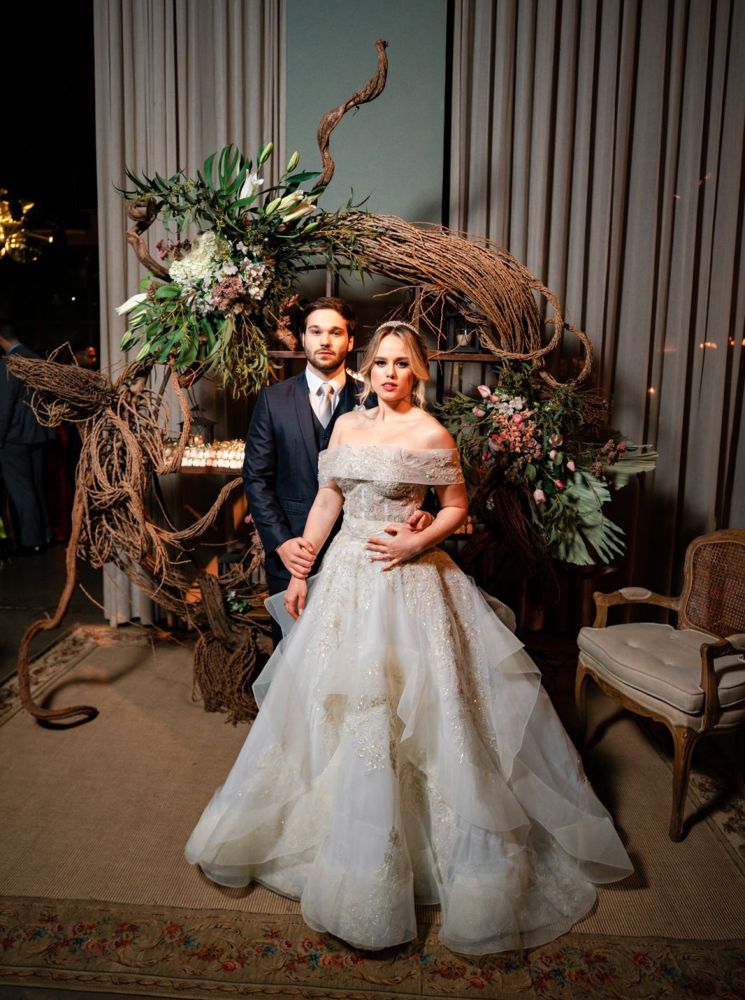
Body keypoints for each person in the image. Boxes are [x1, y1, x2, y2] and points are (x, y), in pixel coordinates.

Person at [187, 321, 632, 955]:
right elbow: (327, 499)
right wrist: (302, 566)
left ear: (417, 371)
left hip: (411, 580)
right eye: (381, 363)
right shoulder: (346, 427)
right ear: (366, 370)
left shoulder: (432, 432)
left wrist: (420, 538)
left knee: (430, 710)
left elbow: (457, 507)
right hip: (345, 576)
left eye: (402, 363)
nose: (390, 373)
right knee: (343, 708)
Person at [243, 297, 430, 642]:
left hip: (365, 556)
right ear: (302, 337)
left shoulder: (378, 397)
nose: (325, 341)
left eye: (335, 332)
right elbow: (256, 480)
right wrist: (282, 543)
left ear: (351, 341)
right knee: (292, 652)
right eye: (315, 331)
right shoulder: (274, 400)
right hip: (296, 550)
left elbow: (416, 470)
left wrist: (424, 515)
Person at [0, 322, 53, 554]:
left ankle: (32, 541)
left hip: (15, 437)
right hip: (38, 433)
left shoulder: (10, 362)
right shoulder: (35, 358)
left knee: (23, 490)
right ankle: (47, 535)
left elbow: (5, 406)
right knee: (38, 486)